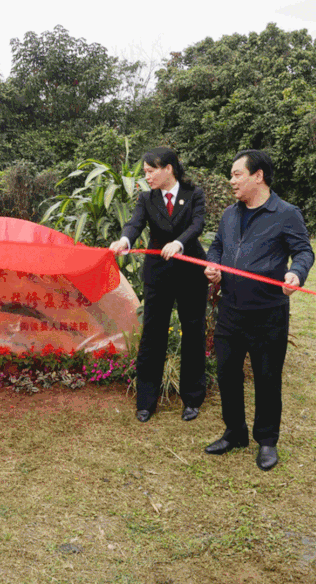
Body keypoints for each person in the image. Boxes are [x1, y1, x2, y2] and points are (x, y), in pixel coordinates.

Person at [202, 149, 314, 471]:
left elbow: (303, 251)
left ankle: (267, 441)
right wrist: (213, 264)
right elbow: (218, 247)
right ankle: (234, 432)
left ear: (258, 176)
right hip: (230, 310)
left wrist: (297, 273)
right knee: (227, 373)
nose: (232, 180)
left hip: (268, 312)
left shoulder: (286, 213)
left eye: (237, 174)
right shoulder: (229, 214)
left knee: (267, 378)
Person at [109, 147, 208, 423]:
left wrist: (179, 243)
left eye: (151, 171)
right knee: (153, 335)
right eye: (144, 173)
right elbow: (134, 224)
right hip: (159, 275)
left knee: (193, 331)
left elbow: (198, 224)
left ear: (169, 169)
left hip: (191, 272)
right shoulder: (146, 198)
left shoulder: (193, 194)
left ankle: (192, 398)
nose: (147, 177)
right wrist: (124, 241)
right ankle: (146, 401)